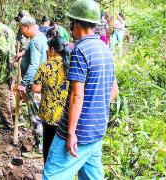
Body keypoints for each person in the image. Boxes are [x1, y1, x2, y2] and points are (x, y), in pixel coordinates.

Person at [43, 0, 119, 179]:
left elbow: (77, 96)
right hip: (98, 129)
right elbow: (114, 90)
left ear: (76, 24)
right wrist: (95, 108)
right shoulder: (105, 48)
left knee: (52, 175)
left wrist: (71, 133)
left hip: (80, 132)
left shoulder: (80, 50)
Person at [32, 34, 70, 162]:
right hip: (67, 115)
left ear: (53, 49)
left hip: (49, 113)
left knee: (48, 144)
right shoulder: (71, 65)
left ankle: (48, 170)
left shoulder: (46, 66)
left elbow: (36, 89)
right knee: (63, 147)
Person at [15, 16, 48, 153]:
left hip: (34, 83)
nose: (22, 33)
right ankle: (42, 143)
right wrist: (24, 53)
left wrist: (23, 83)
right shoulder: (41, 37)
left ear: (27, 26)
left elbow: (34, 64)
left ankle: (40, 146)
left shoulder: (34, 41)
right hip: (40, 81)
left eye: (22, 29)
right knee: (39, 112)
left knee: (35, 115)